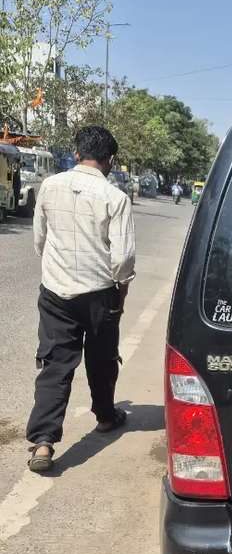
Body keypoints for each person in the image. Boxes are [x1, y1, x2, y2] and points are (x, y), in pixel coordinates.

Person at [25, 125, 136, 473]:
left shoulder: (49, 186)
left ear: (76, 153)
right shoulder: (115, 198)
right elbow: (123, 260)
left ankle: (43, 443)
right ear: (110, 160)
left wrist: (54, 271)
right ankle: (105, 416)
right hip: (100, 294)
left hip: (56, 292)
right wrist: (121, 291)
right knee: (102, 359)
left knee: (55, 364)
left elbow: (40, 240)